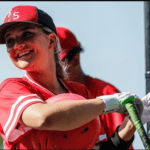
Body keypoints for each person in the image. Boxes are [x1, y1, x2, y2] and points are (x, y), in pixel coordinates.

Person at [0, 5, 145, 150]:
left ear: (51, 40)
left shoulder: (80, 92)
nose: (17, 45)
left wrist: (130, 125)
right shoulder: (9, 90)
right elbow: (42, 117)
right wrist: (108, 103)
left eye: (26, 34)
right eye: (10, 41)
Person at [56, 26, 131, 143]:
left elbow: (123, 142)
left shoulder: (107, 94)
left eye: (59, 64)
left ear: (75, 59)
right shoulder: (45, 98)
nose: (55, 70)